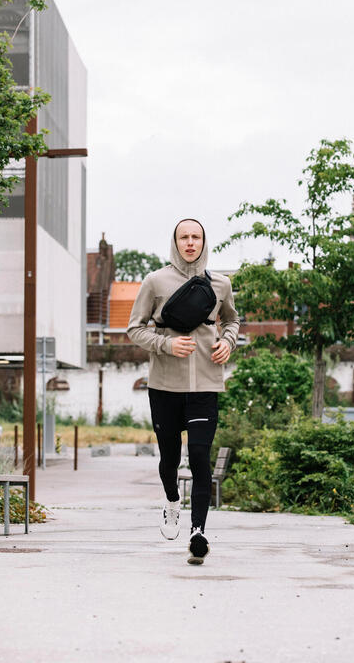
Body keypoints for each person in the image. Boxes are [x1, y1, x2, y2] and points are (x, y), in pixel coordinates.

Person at [127, 218, 239, 564]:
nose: (190, 242)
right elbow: (134, 329)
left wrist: (228, 342)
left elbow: (233, 320)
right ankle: (172, 501)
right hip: (165, 385)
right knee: (171, 458)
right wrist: (166, 344)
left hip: (206, 383)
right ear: (175, 242)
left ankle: (198, 533)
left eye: (196, 237)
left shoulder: (220, 283)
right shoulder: (155, 281)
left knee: (201, 457)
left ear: (204, 242)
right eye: (184, 237)